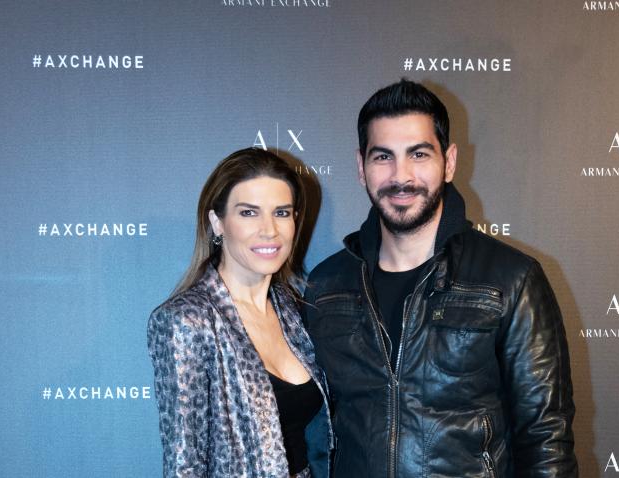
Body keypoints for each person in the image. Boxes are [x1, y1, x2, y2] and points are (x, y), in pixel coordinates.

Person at [303, 80, 578, 477]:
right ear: (361, 167)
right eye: (383, 157)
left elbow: (545, 438)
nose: (401, 176)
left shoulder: (512, 279)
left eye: (418, 154)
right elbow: (314, 432)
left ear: (448, 162)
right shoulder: (327, 284)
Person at [148, 148, 332, 478]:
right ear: (217, 222)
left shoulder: (291, 309)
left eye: (281, 212)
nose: (269, 230)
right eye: (249, 213)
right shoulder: (187, 321)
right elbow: (184, 465)